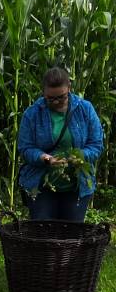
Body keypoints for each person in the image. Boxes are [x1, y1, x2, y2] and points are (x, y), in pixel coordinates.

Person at [17, 67, 103, 221]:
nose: (56, 101)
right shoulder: (32, 114)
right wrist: (44, 158)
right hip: (41, 184)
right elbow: (25, 147)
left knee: (71, 234)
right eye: (50, 98)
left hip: (77, 186)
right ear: (43, 92)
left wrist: (82, 156)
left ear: (69, 88)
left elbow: (96, 145)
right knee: (44, 231)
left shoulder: (85, 109)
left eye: (61, 97)